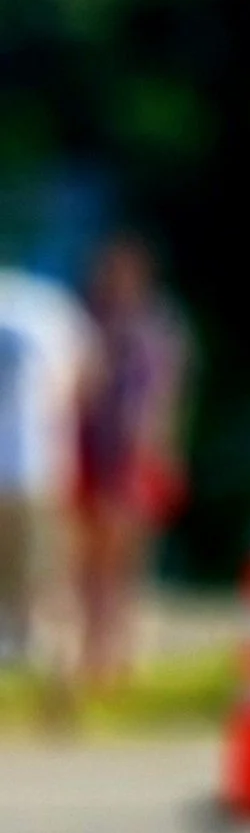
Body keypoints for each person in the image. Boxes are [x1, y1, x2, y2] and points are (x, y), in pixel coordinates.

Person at [72, 235, 191, 689]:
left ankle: (117, 652)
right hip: (95, 455)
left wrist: (159, 454)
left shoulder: (156, 329)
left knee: (124, 559)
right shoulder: (91, 323)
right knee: (90, 561)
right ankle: (93, 652)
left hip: (134, 458)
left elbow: (164, 401)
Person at [0, 264, 95, 669]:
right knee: (36, 564)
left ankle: (29, 646)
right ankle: (27, 643)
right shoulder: (50, 308)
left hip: (34, 461)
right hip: (38, 460)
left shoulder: (45, 307)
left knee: (37, 563)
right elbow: (82, 379)